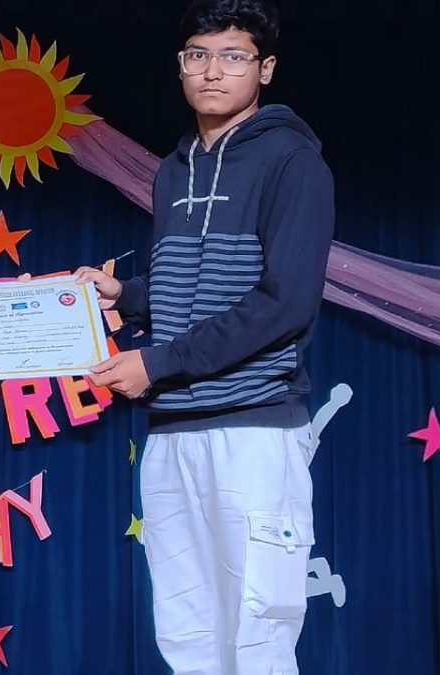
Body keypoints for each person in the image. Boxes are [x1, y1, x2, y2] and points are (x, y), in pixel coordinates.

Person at [80, 1, 335, 673]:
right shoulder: (173, 170)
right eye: (198, 55)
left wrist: (157, 362)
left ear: (265, 69)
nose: (212, 71)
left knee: (259, 630)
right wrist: (126, 296)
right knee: (186, 632)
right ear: (181, 66)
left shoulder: (293, 162)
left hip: (254, 429)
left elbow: (285, 303)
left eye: (232, 56)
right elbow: (185, 283)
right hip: (171, 433)